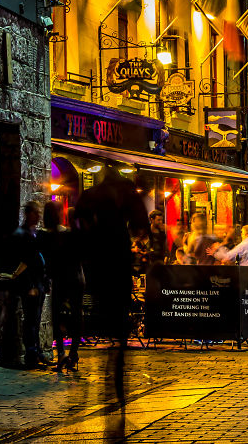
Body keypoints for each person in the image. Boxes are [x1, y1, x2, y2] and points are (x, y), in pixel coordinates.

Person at [74, 165, 148, 438]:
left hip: (97, 266)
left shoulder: (91, 194)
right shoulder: (126, 194)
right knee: (118, 330)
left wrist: (86, 248)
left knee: (106, 321)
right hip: (116, 263)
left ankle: (112, 368)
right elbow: (142, 226)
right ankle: (116, 373)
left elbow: (78, 223)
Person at [0, 202, 49, 369]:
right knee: (31, 320)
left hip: (39, 282)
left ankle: (37, 351)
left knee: (36, 318)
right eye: (36, 212)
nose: (39, 215)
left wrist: (44, 281)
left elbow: (40, 259)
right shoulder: (22, 234)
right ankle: (31, 354)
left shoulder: (36, 234)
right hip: (30, 284)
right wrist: (30, 284)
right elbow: (26, 260)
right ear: (29, 214)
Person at [40, 201, 85, 373]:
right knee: (76, 315)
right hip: (76, 278)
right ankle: (73, 354)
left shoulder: (44, 236)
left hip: (60, 279)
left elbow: (46, 260)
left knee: (56, 316)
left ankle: (61, 354)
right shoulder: (69, 233)